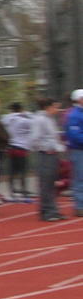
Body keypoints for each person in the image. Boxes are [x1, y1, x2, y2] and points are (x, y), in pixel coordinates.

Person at [30, 98, 66, 221]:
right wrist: (45, 148)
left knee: (51, 184)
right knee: (46, 184)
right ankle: (46, 212)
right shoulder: (39, 120)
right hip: (46, 155)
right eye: (55, 107)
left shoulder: (49, 119)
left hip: (53, 154)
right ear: (48, 107)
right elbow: (34, 139)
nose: (57, 109)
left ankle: (53, 210)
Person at [1, 103, 33, 201]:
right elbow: (33, 123)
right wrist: (26, 113)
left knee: (12, 170)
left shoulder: (5, 119)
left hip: (10, 146)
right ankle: (23, 190)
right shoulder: (23, 120)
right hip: (21, 146)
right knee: (22, 170)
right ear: (21, 109)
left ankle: (11, 190)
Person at [65, 89, 83, 217]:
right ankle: (80, 206)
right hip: (78, 150)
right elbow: (74, 135)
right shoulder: (74, 115)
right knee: (79, 177)